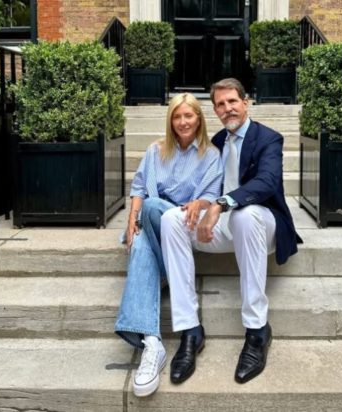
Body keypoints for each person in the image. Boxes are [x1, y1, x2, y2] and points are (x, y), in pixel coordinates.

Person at [161, 78, 300, 385]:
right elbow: (205, 184)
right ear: (215, 111)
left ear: (245, 103)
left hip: (262, 226)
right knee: (171, 219)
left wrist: (221, 204)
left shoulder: (268, 138)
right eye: (220, 104)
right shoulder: (217, 142)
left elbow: (266, 183)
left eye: (232, 101)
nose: (228, 109)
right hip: (223, 228)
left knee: (245, 215)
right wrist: (201, 204)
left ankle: (257, 330)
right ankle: (190, 330)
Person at [114, 93, 223, 397]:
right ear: (170, 120)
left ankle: (149, 340)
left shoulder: (211, 155)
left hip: (180, 226)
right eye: (177, 116)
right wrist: (131, 219)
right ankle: (153, 343)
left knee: (153, 210)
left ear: (199, 119)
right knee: (140, 238)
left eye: (189, 115)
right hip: (150, 222)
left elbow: (210, 197)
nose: (183, 122)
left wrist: (198, 203)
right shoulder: (155, 150)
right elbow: (139, 187)